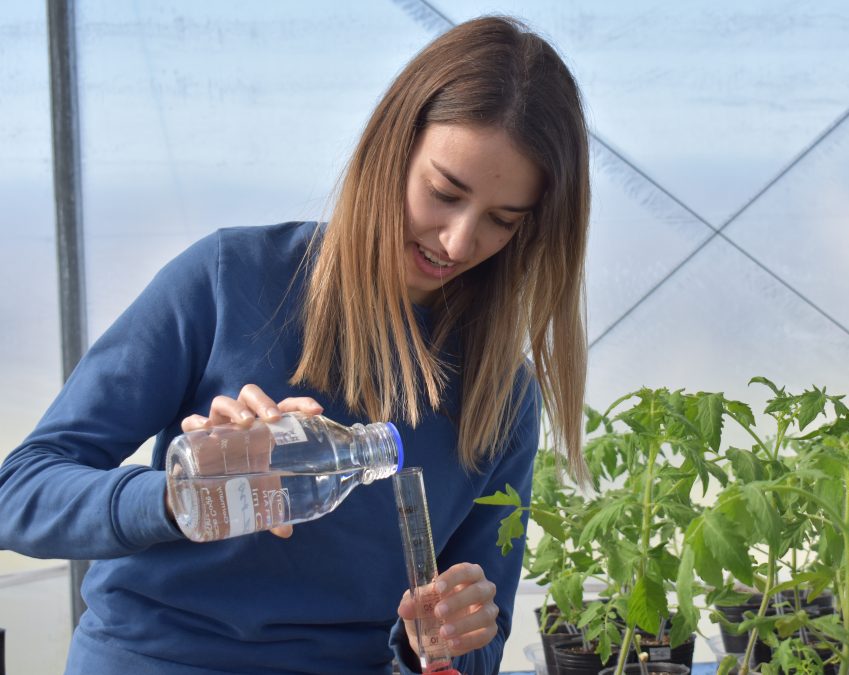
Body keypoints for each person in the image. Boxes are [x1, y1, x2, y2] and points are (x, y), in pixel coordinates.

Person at [0, 15, 589, 675]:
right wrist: (178, 497)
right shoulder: (228, 279)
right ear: (391, 146)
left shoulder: (500, 393)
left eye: (501, 222)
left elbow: (468, 651)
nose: (457, 241)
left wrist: (448, 636)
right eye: (444, 193)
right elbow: (18, 493)